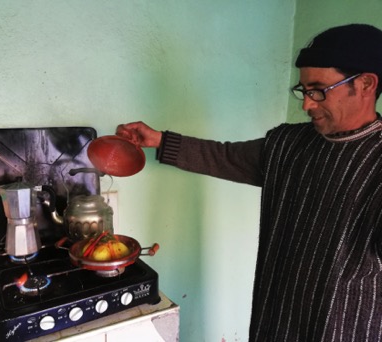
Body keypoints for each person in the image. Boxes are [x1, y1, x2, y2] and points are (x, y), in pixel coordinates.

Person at [115, 23, 382, 341]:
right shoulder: (288, 144)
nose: (306, 104)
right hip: (274, 316)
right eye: (303, 90)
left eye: (318, 90)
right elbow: (225, 157)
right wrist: (159, 140)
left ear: (365, 84)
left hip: (344, 328)